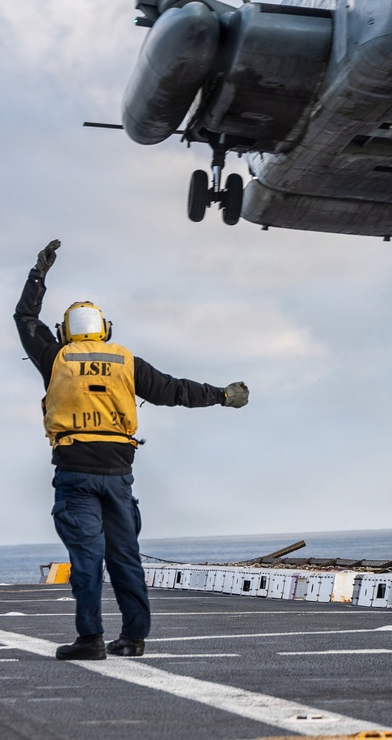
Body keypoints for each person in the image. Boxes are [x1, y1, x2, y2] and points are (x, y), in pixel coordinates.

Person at [15, 239, 249, 661]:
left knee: (87, 559)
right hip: (119, 476)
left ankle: (90, 640)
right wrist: (221, 395)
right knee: (126, 557)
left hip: (76, 475)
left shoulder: (56, 358)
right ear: (104, 329)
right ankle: (133, 638)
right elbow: (174, 390)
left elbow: (24, 318)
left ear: (66, 332)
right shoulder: (125, 361)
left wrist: (39, 274)